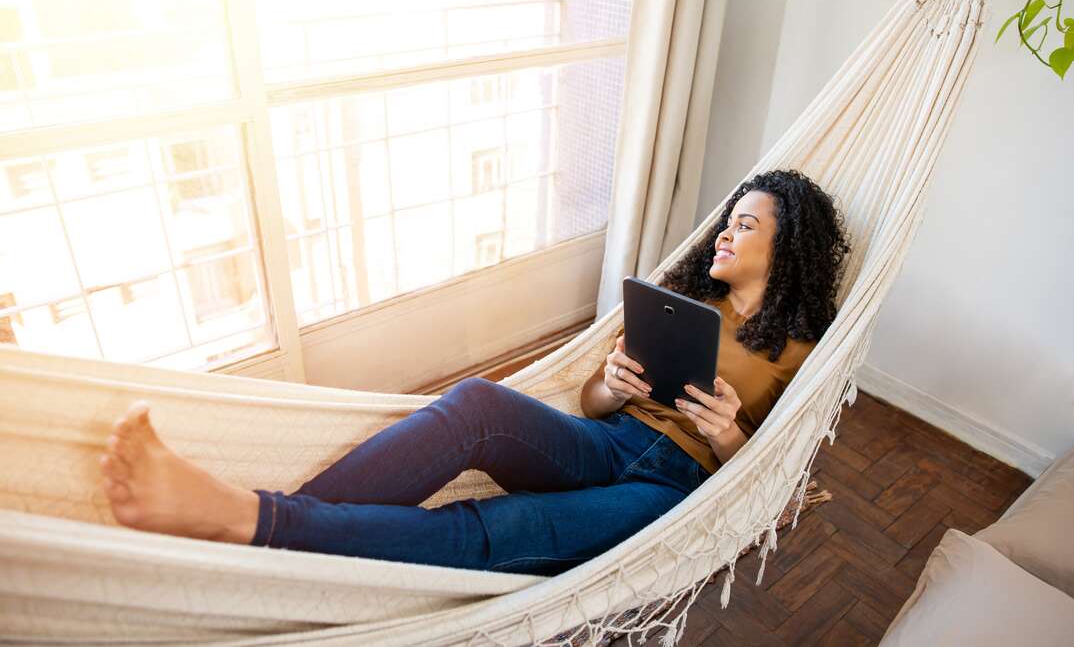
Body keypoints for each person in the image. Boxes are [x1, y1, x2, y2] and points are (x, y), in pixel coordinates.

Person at [99, 169, 850, 576]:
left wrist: (725, 437)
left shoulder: (806, 353)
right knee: (473, 404)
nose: (725, 230)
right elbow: (590, 402)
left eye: (745, 224)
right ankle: (273, 527)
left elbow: (769, 483)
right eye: (728, 218)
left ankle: (250, 521)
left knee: (500, 526)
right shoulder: (683, 298)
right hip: (612, 441)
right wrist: (611, 383)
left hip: (672, 488)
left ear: (788, 247)